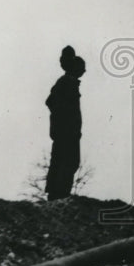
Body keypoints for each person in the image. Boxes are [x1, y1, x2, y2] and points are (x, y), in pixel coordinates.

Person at [45, 46, 85, 200]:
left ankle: (58, 194)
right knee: (67, 161)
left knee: (66, 161)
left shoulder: (68, 82)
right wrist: (64, 121)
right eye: (81, 68)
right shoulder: (65, 82)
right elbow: (51, 102)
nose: (83, 71)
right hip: (66, 132)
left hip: (68, 131)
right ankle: (59, 194)